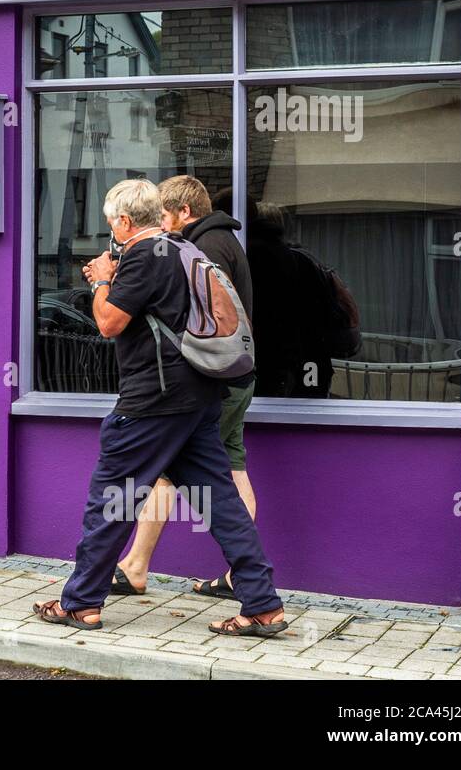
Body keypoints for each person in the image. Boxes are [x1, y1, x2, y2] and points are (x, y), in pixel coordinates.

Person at [33, 179, 286, 637]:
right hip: (198, 398)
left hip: (152, 401)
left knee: (110, 500)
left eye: (112, 221)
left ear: (125, 222)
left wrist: (104, 278)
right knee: (220, 502)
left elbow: (109, 324)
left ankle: (80, 603)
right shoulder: (185, 250)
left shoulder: (142, 257)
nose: (111, 229)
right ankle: (263, 604)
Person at [110, 176, 256, 601]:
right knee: (232, 471)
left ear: (184, 213)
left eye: (163, 215)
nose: (158, 225)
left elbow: (204, 318)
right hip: (235, 378)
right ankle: (241, 576)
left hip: (211, 380)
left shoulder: (203, 249)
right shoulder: (223, 243)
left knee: (167, 474)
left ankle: (136, 567)